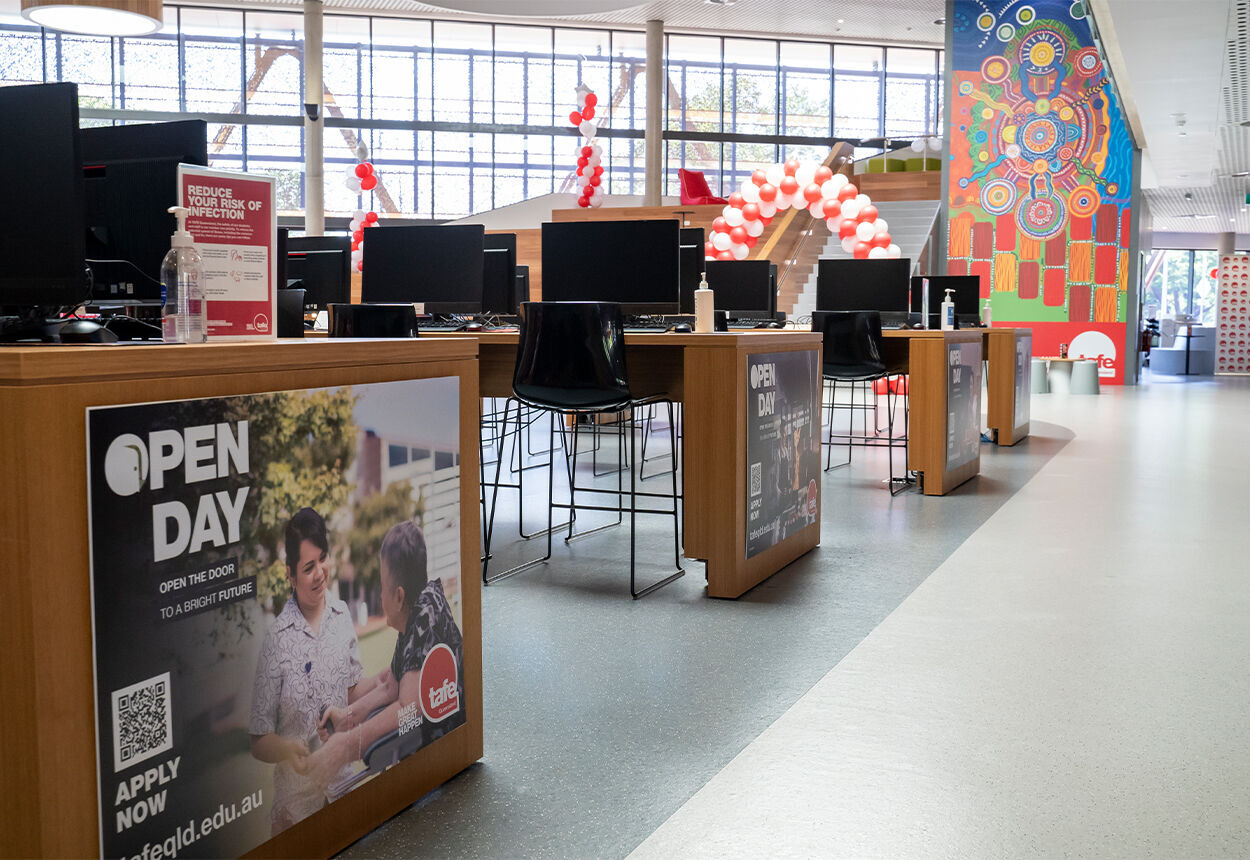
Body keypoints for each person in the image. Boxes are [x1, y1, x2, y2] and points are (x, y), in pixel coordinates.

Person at [247, 507, 385, 835]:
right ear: (290, 576)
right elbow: (258, 737)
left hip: (343, 790)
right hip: (295, 813)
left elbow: (351, 692)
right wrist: (285, 749)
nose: (320, 572)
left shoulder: (341, 617)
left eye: (323, 558)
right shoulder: (276, 641)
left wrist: (382, 682)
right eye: (308, 567)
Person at [302, 520, 465, 790]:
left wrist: (346, 746)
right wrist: (347, 717)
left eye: (381, 586)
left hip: (443, 763)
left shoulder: (424, 617)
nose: (380, 598)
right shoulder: (419, 608)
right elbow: (392, 682)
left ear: (398, 597)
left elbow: (409, 707)